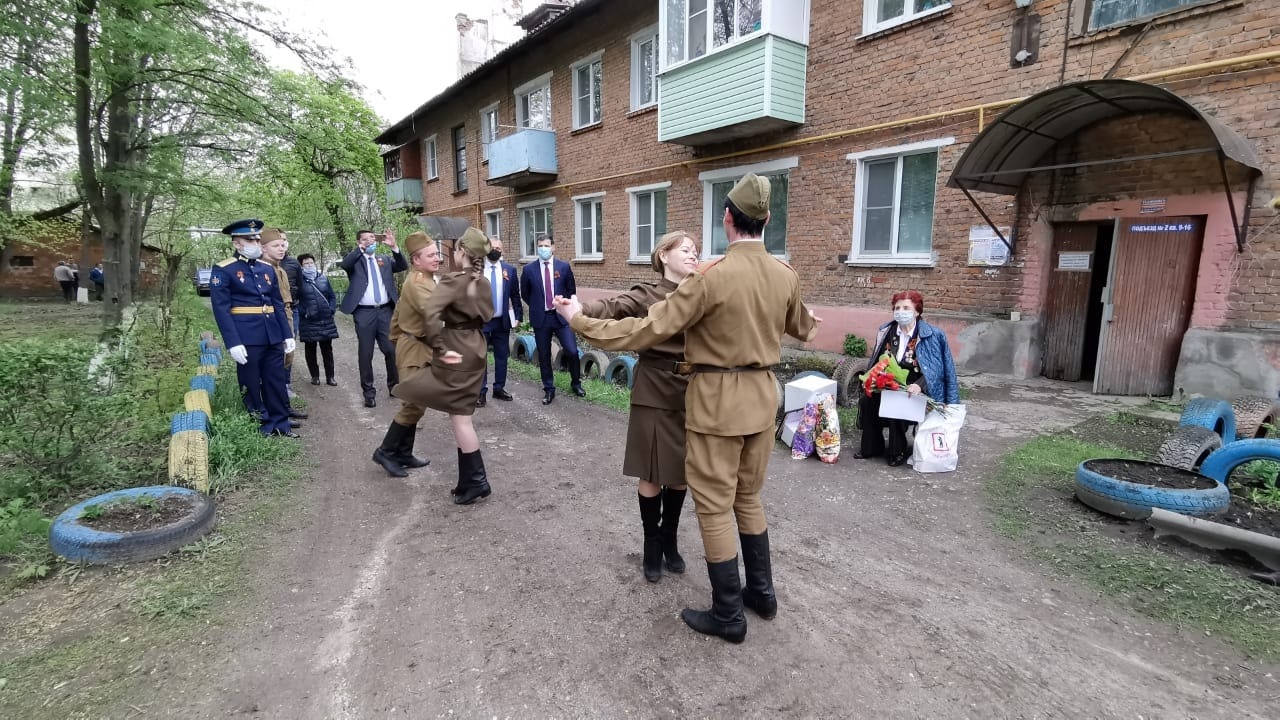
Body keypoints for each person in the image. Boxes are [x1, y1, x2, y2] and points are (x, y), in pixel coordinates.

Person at [556, 173, 819, 643]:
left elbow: (645, 330)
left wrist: (579, 321)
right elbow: (804, 327)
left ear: (727, 219)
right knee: (747, 497)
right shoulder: (785, 274)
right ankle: (762, 594)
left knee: (714, 506)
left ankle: (729, 615)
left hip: (718, 400)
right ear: (767, 220)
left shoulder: (709, 278)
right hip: (763, 398)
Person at [579, 231, 699, 583]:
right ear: (663, 255)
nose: (693, 254)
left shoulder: (702, 292)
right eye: (686, 249)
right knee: (651, 471)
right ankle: (651, 544)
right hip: (654, 388)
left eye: (696, 250)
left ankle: (669, 539)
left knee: (680, 472)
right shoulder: (647, 294)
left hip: (692, 391)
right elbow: (614, 306)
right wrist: (580, 309)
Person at [392, 227, 494, 504]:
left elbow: (431, 315)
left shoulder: (453, 280)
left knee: (459, 417)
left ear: (461, 252)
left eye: (454, 249)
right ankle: (468, 481)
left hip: (456, 349)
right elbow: (489, 315)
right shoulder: (482, 281)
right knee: (460, 413)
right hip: (476, 347)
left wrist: (441, 347)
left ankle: (477, 482)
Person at [209, 219, 298, 438]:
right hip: (246, 336)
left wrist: (287, 335)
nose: (256, 244)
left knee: (275, 379)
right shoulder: (224, 269)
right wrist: (233, 342)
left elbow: (277, 304)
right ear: (237, 243)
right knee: (250, 381)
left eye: (258, 240)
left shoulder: (266, 268)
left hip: (272, 334)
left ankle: (280, 423)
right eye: (250, 240)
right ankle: (262, 423)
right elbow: (221, 310)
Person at [854, 290, 960, 466]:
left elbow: (937, 369)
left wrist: (919, 385)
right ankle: (871, 447)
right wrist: (872, 379)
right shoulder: (887, 331)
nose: (900, 312)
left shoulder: (932, 335)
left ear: (917, 311)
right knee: (868, 401)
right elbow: (878, 360)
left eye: (905, 308)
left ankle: (897, 451)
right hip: (889, 382)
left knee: (898, 402)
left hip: (917, 387)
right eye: (897, 308)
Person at [371, 231, 440, 478]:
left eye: (437, 253)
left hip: (417, 346)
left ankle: (403, 453)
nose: (437, 258)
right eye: (431, 255)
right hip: (414, 349)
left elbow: (398, 315)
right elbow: (435, 312)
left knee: (417, 403)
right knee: (413, 403)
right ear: (416, 260)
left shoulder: (425, 278)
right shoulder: (418, 282)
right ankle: (385, 452)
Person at [339, 228, 408, 408]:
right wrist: (361, 249)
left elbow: (402, 265)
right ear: (359, 242)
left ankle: (394, 386)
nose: (370, 241)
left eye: (372, 238)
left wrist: (394, 247)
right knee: (366, 353)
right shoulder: (356, 261)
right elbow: (345, 264)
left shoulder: (383, 260)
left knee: (391, 350)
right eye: (365, 239)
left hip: (385, 312)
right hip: (364, 313)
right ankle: (369, 393)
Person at [520, 233, 584, 404]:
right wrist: (537, 305)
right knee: (544, 355)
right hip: (541, 318)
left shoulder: (563, 267)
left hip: (561, 317)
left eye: (546, 246)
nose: (543, 249)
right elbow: (525, 293)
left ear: (553, 247)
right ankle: (549, 389)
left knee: (572, 351)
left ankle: (576, 383)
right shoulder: (529, 270)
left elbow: (571, 290)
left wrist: (565, 307)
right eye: (540, 246)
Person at [261, 229, 307, 427]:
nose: (282, 248)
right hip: (275, 317)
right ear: (263, 248)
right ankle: (276, 411)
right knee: (275, 366)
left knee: (286, 361)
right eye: (277, 245)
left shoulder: (280, 268)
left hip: (287, 312)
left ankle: (284, 407)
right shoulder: (263, 269)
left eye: (283, 244)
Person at [477, 238, 522, 407]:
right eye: (492, 247)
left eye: (498, 248)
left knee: (502, 356)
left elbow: (515, 295)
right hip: (482, 321)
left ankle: (499, 388)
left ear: (502, 251)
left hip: (501, 321)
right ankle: (481, 392)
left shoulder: (509, 270)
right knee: (480, 357)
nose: (495, 250)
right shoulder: (478, 269)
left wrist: (518, 316)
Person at [296, 253, 340, 387]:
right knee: (310, 350)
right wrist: (305, 312)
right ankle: (315, 376)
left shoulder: (323, 278)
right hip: (308, 321)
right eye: (306, 264)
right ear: (301, 266)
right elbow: (295, 301)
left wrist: (331, 309)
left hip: (325, 320)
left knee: (327, 350)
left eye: (311, 263)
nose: (309, 265)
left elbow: (332, 296)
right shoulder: (299, 281)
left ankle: (330, 377)